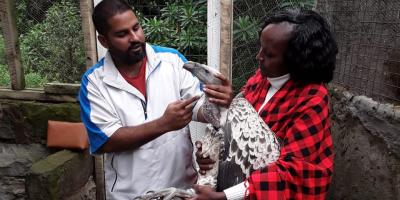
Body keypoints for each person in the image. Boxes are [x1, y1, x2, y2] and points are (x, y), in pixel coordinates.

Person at [78, 0, 232, 199]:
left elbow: (199, 108)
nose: (135, 38)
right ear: (104, 41)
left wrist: (217, 100)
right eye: (122, 34)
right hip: (130, 194)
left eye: (136, 28)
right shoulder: (94, 83)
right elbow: (107, 140)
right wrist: (164, 124)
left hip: (181, 189)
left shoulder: (172, 61)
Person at [192, 8, 337, 200]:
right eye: (260, 48)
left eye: (268, 54)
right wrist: (209, 154)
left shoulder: (313, 98)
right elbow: (238, 132)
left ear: (295, 61)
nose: (258, 56)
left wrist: (225, 196)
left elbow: (292, 172)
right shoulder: (263, 79)